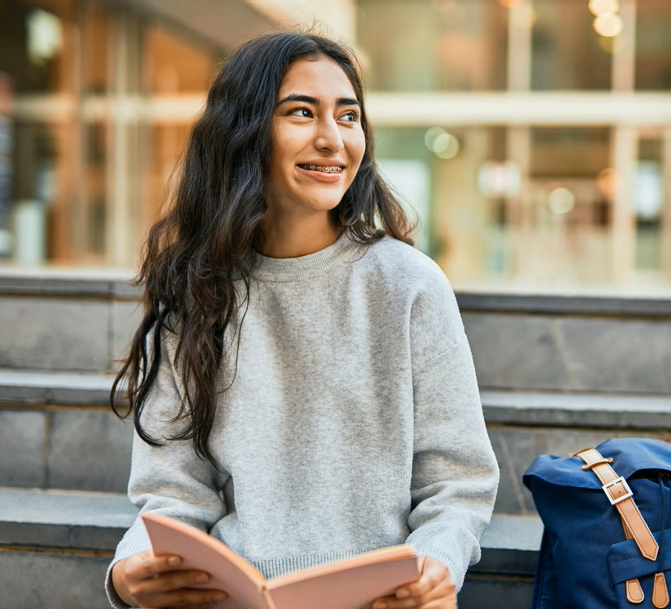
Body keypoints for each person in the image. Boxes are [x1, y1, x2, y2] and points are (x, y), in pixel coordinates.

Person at [104, 31, 500, 609]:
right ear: (244, 131)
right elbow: (173, 493)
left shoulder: (409, 285)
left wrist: (434, 569)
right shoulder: (196, 292)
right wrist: (127, 571)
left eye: (348, 116)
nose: (332, 139)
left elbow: (458, 485)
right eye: (301, 113)